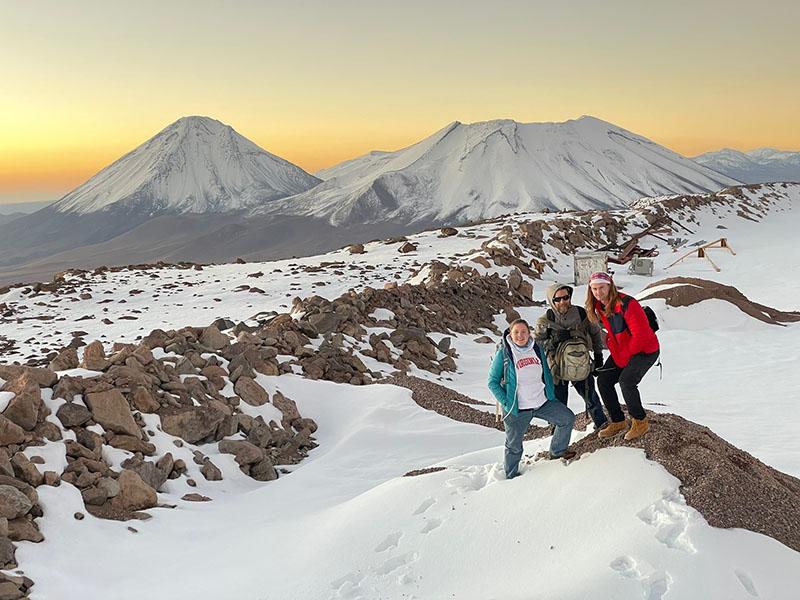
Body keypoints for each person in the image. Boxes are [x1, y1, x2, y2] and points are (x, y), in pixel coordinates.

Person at [488, 318, 576, 479]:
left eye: (523, 332)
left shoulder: (536, 349)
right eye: (516, 332)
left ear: (529, 334)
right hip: (517, 408)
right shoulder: (504, 353)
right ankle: (511, 475)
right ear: (510, 333)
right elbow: (492, 382)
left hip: (542, 402)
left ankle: (557, 452)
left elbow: (546, 373)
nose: (520, 336)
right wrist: (507, 402)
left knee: (567, 419)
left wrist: (550, 393)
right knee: (514, 445)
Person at [585, 272, 660, 441]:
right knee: (604, 380)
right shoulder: (599, 306)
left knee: (627, 381)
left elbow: (641, 335)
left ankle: (640, 421)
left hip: (645, 350)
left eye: (601, 287)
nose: (598, 292)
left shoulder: (628, 303)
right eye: (594, 288)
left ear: (610, 286)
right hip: (623, 351)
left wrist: (625, 356)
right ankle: (618, 421)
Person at [534, 283, 608, 431]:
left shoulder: (582, 314)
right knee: (559, 404)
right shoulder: (545, 320)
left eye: (565, 297)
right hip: (556, 368)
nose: (562, 302)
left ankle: (602, 426)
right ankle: (557, 437)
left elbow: (595, 333)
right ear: (551, 300)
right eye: (557, 299)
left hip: (581, 363)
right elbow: (537, 344)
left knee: (591, 397)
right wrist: (553, 340)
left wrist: (598, 356)